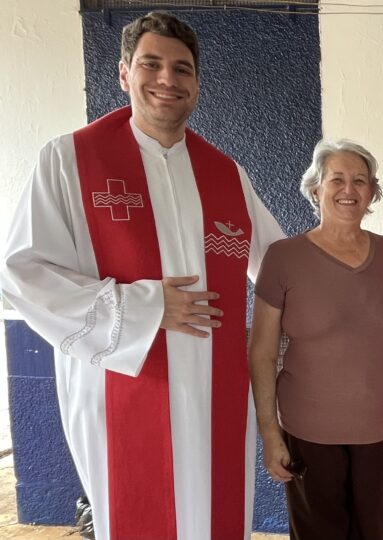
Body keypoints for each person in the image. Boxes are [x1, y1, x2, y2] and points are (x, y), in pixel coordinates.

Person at [0, 12, 284, 539]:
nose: (167, 80)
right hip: (125, 387)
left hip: (216, 391)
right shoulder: (69, 160)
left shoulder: (226, 174)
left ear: (197, 82)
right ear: (124, 72)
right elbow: (22, 272)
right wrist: (144, 307)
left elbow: (281, 266)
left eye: (182, 68)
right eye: (151, 64)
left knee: (216, 517)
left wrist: (361, 283)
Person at [249, 139, 383, 539]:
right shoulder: (284, 258)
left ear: (373, 192)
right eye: (337, 179)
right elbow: (262, 352)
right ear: (316, 188)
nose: (349, 189)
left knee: (372, 533)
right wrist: (271, 435)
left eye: (360, 180)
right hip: (309, 433)